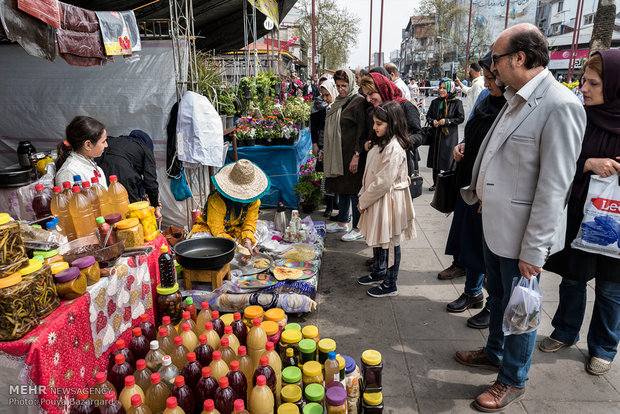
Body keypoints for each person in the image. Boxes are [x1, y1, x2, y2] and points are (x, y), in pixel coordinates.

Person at [455, 23, 586, 411]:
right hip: (496, 225)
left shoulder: (560, 105)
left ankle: (513, 378)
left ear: (519, 58)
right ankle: (495, 352)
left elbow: (554, 187)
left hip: (524, 237)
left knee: (520, 310)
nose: (492, 67)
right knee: (498, 299)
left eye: (497, 58)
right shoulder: (515, 97)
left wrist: (535, 249)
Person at [539, 50, 620, 376]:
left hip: (615, 221)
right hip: (579, 215)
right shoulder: (579, 116)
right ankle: (566, 330)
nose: (583, 88)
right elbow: (555, 163)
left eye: (593, 83)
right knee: (573, 279)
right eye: (584, 80)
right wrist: (588, 164)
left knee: (611, 290)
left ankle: (604, 347)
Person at [442, 51, 506, 329]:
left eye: (492, 78)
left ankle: (493, 304)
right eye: (487, 76)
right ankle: (472, 292)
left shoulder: (515, 105)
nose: (487, 82)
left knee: (490, 251)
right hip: (470, 180)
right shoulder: (486, 99)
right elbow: (474, 131)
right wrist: (464, 146)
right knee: (470, 241)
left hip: (494, 190)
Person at [356, 101, 416, 297]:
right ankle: (379, 272)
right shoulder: (382, 143)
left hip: (389, 200)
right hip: (379, 198)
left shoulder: (394, 147)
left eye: (379, 124)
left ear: (392, 123)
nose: (374, 127)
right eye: (374, 123)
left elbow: (383, 181)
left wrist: (363, 200)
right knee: (380, 237)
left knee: (390, 241)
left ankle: (391, 283)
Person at [190, 159, 270, 257]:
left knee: (263, 228)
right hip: (212, 230)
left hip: (236, 229)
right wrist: (238, 247)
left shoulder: (254, 200)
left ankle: (243, 246)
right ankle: (234, 247)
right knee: (199, 240)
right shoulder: (217, 200)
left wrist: (247, 241)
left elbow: (249, 223)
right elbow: (217, 230)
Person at [324, 69, 368, 242]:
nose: (341, 89)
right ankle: (342, 222)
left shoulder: (358, 102)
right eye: (338, 86)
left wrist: (357, 154)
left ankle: (357, 227)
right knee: (341, 188)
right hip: (339, 153)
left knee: (353, 191)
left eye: (344, 85)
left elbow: (361, 131)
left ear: (351, 84)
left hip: (352, 154)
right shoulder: (340, 101)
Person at [95, 130, 161, 220]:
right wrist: (155, 205)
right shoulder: (145, 148)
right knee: (132, 214)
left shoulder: (113, 141)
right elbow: (150, 182)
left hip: (99, 176)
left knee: (109, 210)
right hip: (123, 177)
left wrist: (144, 196)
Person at [426, 79, 464, 191]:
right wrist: (432, 121)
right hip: (436, 135)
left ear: (450, 89)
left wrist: (446, 121)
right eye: (440, 87)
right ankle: (435, 183)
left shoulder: (457, 103)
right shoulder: (435, 102)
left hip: (449, 137)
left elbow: (460, 118)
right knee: (435, 160)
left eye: (444, 88)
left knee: (448, 160)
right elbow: (428, 115)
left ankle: (448, 183)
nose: (441, 90)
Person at [55, 115, 108, 188]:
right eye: (103, 141)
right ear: (88, 145)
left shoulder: (90, 163)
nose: (106, 145)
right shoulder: (68, 172)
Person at [313, 77, 338, 217]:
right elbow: (315, 125)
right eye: (323, 95)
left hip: (336, 147)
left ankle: (336, 203)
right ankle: (329, 206)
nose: (325, 98)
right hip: (325, 146)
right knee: (326, 176)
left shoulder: (339, 107)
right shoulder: (321, 106)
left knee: (335, 176)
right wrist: (315, 143)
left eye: (327, 95)